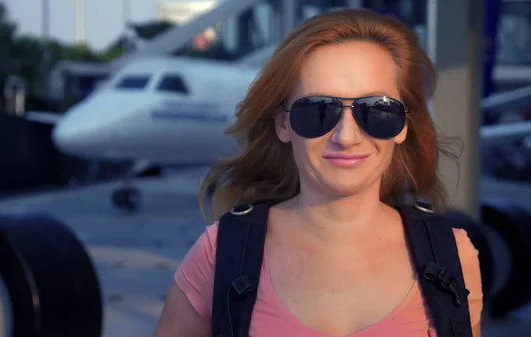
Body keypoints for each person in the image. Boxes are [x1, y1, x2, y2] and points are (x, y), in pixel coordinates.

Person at [153, 8, 483, 337]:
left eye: (378, 110)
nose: (346, 137)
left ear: (404, 126)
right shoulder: (220, 253)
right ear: (283, 124)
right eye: (317, 111)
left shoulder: (453, 256)